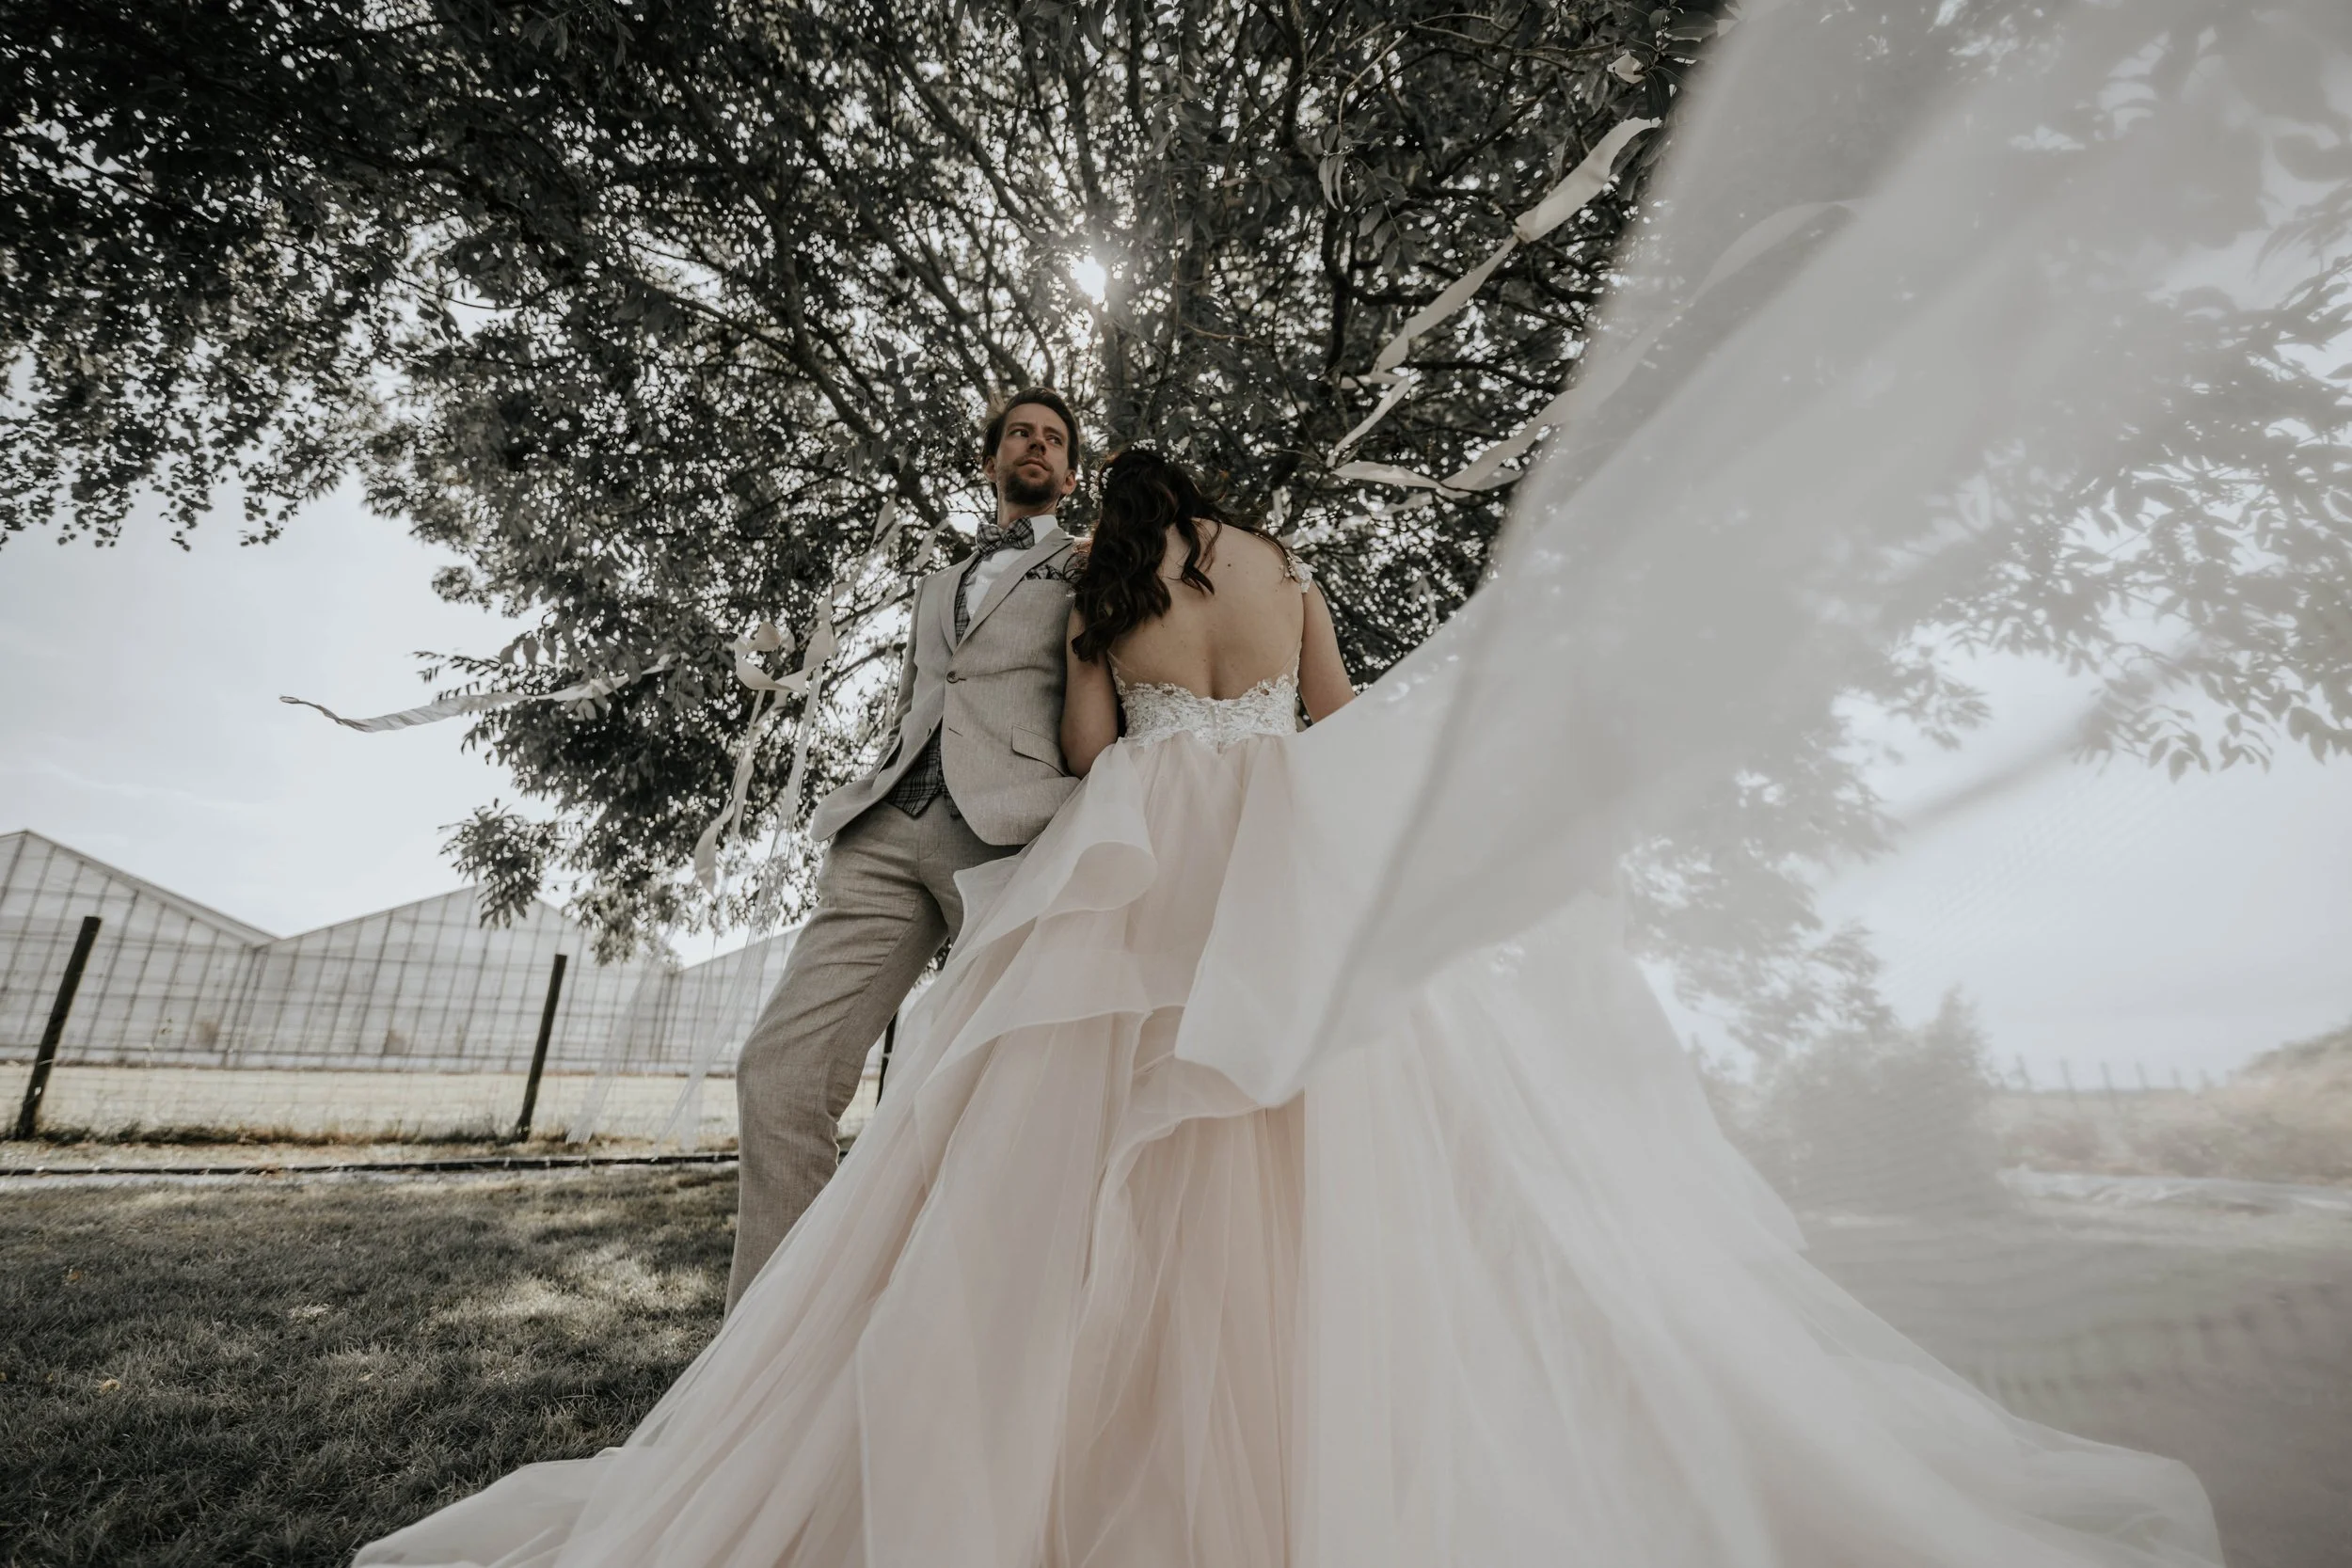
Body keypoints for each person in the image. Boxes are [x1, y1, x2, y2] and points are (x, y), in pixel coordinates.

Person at [355, 446, 2221, 1568]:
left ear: (1116, 516)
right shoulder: (1282, 566)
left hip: (1152, 853)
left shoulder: (1106, 603)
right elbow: (1333, 724)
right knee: (1317, 1120)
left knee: (1081, 1128)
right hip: (1279, 850)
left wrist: (1123, 699)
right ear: (1218, 511)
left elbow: (1096, 756)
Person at [726, 388, 1086, 1307]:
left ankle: (989, 1328)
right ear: (991, 460)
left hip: (1015, 835)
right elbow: (923, 698)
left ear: (1070, 473)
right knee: (779, 1071)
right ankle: (770, 1341)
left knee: (1022, 1091)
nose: (1036, 445)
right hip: (884, 826)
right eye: (1020, 433)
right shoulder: (936, 582)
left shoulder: (1091, 566)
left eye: (1053, 438)